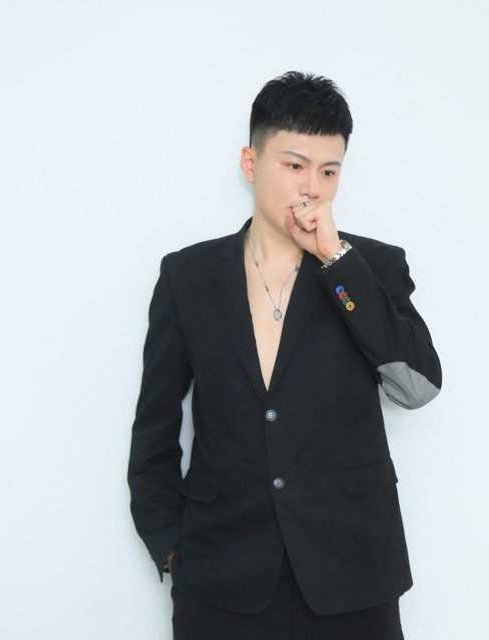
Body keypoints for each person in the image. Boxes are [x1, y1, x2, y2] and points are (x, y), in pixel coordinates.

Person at [127, 71, 441, 639]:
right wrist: (170, 546)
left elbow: (417, 387)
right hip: (221, 577)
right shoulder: (187, 276)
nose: (312, 188)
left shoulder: (371, 267)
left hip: (353, 575)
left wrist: (337, 262)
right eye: (294, 165)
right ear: (250, 163)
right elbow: (155, 426)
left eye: (329, 171)